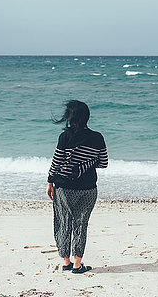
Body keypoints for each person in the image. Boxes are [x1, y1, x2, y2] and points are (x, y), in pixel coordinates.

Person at [47, 100, 108, 274]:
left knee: (63, 222)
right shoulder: (97, 137)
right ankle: (77, 264)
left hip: (64, 188)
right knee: (81, 224)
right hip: (88, 188)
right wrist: (87, 163)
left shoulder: (65, 137)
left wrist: (50, 182)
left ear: (70, 117)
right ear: (87, 116)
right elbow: (103, 163)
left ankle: (65, 262)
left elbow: (56, 163)